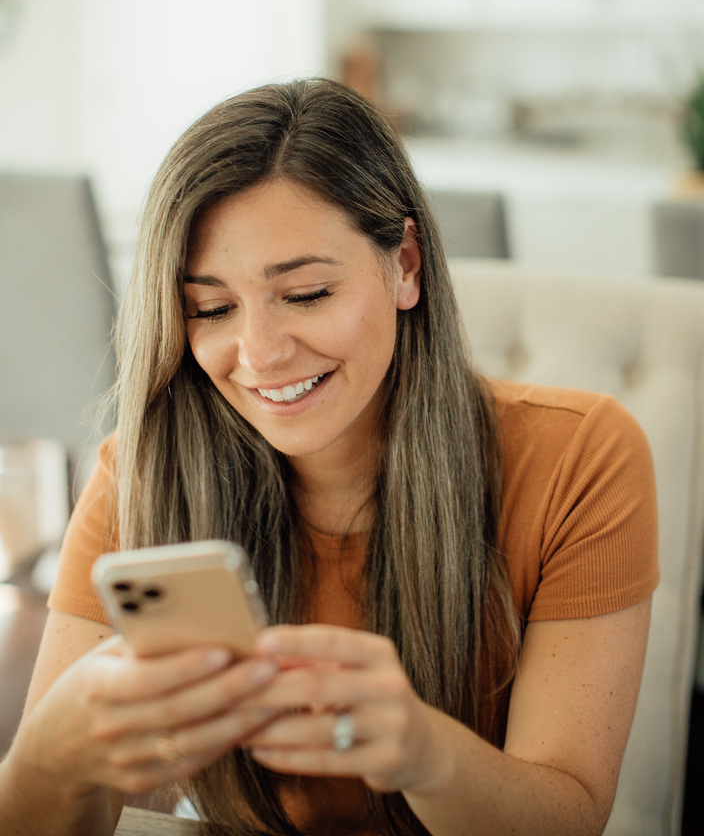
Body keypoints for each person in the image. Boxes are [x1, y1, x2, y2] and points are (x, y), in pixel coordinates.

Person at [0, 78, 658, 836]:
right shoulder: (144, 474)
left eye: (306, 293)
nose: (260, 354)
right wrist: (58, 753)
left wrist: (423, 754)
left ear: (406, 265)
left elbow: (568, 817)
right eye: (210, 309)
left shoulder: (581, 459)